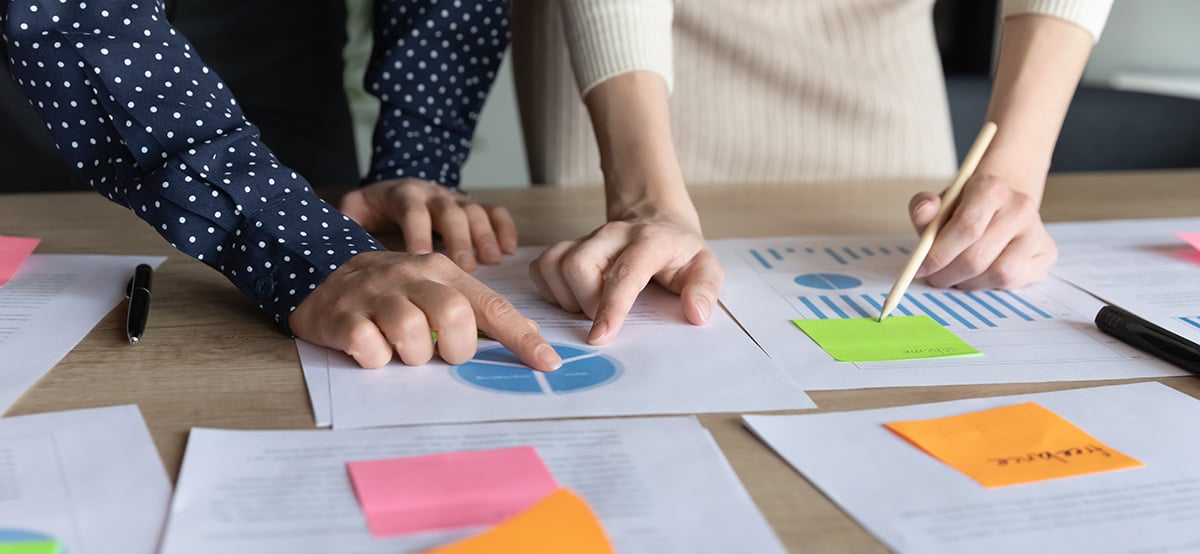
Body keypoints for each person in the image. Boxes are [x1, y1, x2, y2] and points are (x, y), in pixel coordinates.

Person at [508, 0, 1114, 344]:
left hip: (879, 62)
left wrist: (1013, 173)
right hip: (628, 67)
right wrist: (648, 198)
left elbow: (1005, 183)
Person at [0, 0, 561, 372]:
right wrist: (307, 246)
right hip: (53, 68)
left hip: (285, 45)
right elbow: (69, 15)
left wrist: (417, 160)